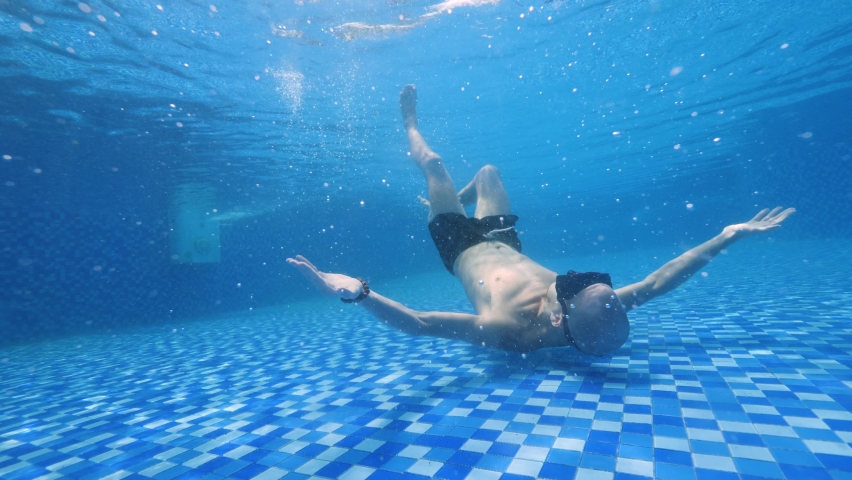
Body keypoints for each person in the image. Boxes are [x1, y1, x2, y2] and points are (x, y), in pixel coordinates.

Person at [287, 85, 795, 356]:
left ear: (558, 318)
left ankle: (411, 127)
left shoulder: (506, 329)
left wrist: (358, 292)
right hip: (504, 240)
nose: (565, 281)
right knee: (487, 171)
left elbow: (420, 326)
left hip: (459, 245)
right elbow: (660, 282)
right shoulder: (596, 309)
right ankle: (453, 198)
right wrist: (729, 235)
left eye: (565, 290)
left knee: (436, 166)